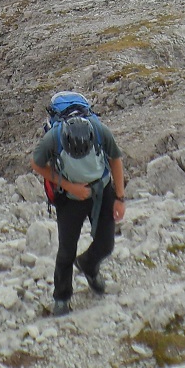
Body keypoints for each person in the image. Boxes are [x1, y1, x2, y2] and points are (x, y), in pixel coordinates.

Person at [31, 113, 126, 316]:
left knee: (106, 244)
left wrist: (120, 198)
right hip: (69, 199)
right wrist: (69, 187)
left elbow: (115, 159)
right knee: (66, 250)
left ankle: (88, 265)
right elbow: (37, 164)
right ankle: (62, 297)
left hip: (102, 192)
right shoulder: (53, 138)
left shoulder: (101, 132)